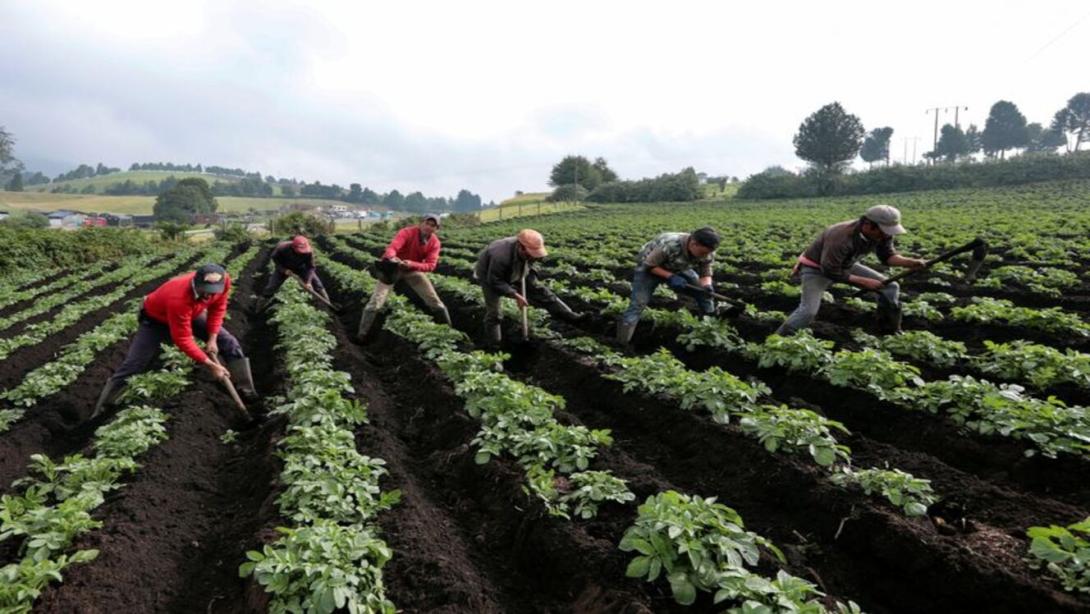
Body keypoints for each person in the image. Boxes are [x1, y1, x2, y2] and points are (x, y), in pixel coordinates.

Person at [92, 263, 258, 419]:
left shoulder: (223, 282)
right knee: (136, 362)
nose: (209, 294)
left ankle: (246, 390)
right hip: (156, 319)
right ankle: (102, 409)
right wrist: (210, 364)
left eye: (213, 291)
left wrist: (212, 338)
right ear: (195, 282)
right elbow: (183, 338)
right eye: (205, 290)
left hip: (193, 312)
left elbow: (218, 308)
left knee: (228, 342)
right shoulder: (179, 297)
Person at [775, 204, 926, 336]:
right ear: (868, 224)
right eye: (882, 231)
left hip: (845, 264)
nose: (886, 235)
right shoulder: (840, 236)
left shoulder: (883, 234)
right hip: (817, 269)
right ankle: (778, 339)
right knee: (808, 312)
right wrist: (864, 282)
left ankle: (888, 330)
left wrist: (910, 262)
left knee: (890, 288)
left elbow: (887, 257)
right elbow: (829, 270)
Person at [474, 229, 584, 345]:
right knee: (494, 312)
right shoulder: (500, 255)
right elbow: (495, 281)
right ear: (520, 247)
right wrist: (515, 295)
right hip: (489, 276)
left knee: (541, 292)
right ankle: (494, 344)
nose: (533, 257)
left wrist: (532, 280)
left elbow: (531, 265)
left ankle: (571, 317)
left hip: (518, 266)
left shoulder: (529, 253)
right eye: (530, 254)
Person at [616, 227, 722, 344]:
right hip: (650, 266)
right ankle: (622, 342)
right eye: (702, 253)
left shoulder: (708, 251)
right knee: (638, 303)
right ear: (693, 244)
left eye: (706, 253)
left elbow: (705, 271)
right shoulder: (670, 244)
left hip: (678, 266)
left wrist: (707, 285)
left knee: (705, 294)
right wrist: (670, 276)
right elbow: (650, 266)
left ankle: (709, 325)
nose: (703, 256)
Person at [357, 213, 451, 341]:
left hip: (412, 269)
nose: (428, 227)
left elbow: (431, 265)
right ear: (421, 223)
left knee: (434, 301)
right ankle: (362, 335)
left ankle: (448, 332)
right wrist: (392, 258)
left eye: (433, 225)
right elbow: (392, 248)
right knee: (376, 302)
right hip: (392, 269)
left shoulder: (434, 243)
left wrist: (411, 264)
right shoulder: (407, 232)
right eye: (426, 223)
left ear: (436, 229)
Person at [253, 235, 329, 311]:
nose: (301, 253)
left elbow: (311, 267)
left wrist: (308, 282)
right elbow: (276, 261)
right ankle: (258, 309)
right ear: (293, 247)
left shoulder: (309, 252)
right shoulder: (282, 248)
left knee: (317, 284)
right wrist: (284, 270)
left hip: (301, 268)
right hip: (284, 267)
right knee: (271, 287)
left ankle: (328, 306)